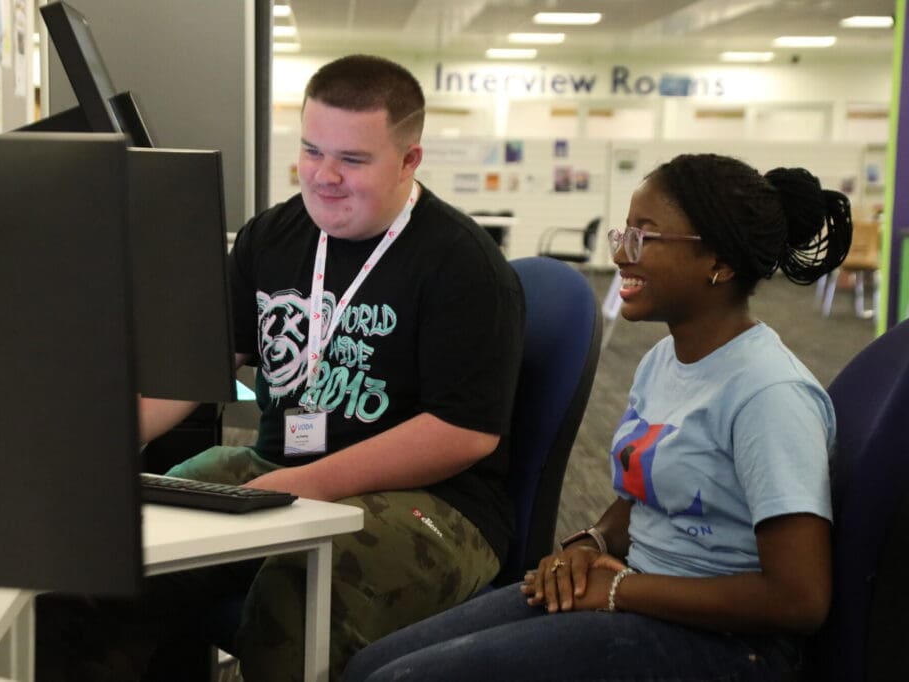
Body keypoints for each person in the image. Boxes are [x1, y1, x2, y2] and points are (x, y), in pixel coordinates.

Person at [342, 153, 854, 682]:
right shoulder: (663, 360)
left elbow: (799, 599)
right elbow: (648, 494)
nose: (620, 255)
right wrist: (593, 544)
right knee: (370, 666)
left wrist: (619, 590)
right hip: (643, 592)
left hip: (729, 646)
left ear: (718, 261)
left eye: (644, 237)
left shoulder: (769, 393)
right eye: (623, 233)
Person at [135, 54, 525, 682]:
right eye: (312, 150)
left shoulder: (463, 265)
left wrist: (303, 486)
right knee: (133, 547)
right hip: (279, 467)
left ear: (409, 161)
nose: (324, 177)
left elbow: (462, 432)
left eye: (353, 159)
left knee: (298, 594)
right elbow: (196, 367)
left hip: (436, 506)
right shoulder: (271, 237)